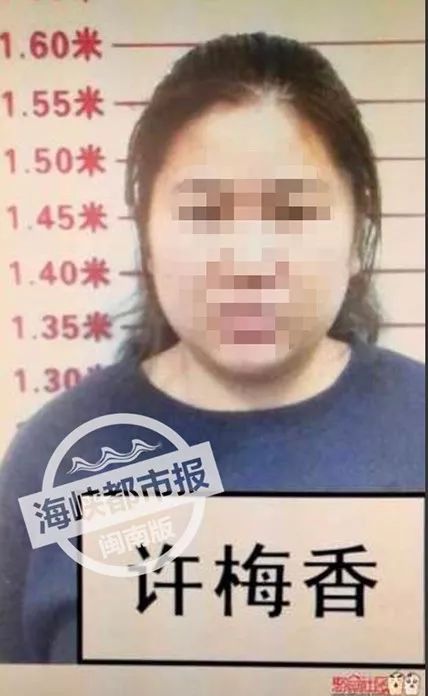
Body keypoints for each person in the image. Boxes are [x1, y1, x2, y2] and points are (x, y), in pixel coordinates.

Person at [0, 32, 424, 664]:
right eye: (203, 213)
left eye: (293, 213)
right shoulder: (59, 456)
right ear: (146, 235)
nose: (248, 263)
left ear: (358, 229)